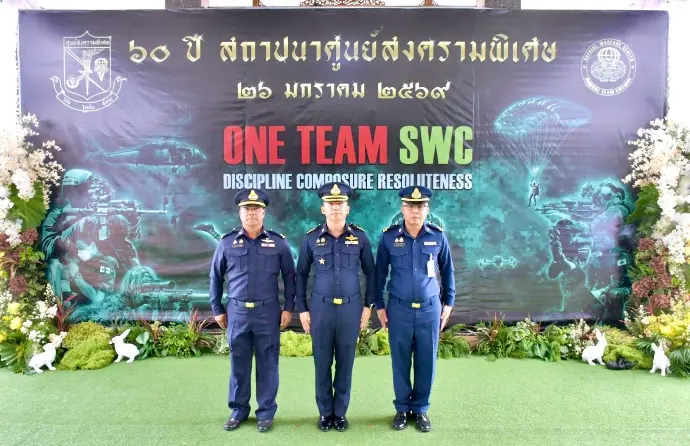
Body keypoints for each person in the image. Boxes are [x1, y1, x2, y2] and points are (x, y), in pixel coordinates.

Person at [209, 188, 296, 433]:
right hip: (237, 312)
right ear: (240, 213)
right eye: (247, 209)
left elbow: (290, 278)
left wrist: (289, 308)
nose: (251, 213)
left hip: (268, 312)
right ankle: (238, 410)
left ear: (263, 213)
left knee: (268, 364)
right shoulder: (227, 242)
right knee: (239, 363)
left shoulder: (278, 243)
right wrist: (217, 308)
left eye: (256, 209)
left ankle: (266, 412)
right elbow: (215, 277)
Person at [374, 185, 455, 433]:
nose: (415, 211)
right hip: (399, 309)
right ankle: (401, 408)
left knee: (426, 360)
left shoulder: (438, 236)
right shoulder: (389, 238)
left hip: (430, 309)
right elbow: (379, 274)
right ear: (403, 209)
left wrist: (449, 303)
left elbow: (447, 271)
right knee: (400, 360)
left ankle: (420, 409)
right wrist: (379, 305)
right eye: (410, 206)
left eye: (420, 206)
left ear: (427, 209)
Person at [296, 182, 376, 432]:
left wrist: (368, 306)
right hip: (321, 309)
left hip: (351, 309)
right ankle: (324, 413)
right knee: (322, 362)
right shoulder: (311, 238)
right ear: (323, 209)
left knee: (345, 362)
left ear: (347, 208)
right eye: (330, 204)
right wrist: (302, 309)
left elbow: (371, 272)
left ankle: (340, 413)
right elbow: (300, 275)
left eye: (340, 203)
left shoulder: (360, 237)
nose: (335, 208)